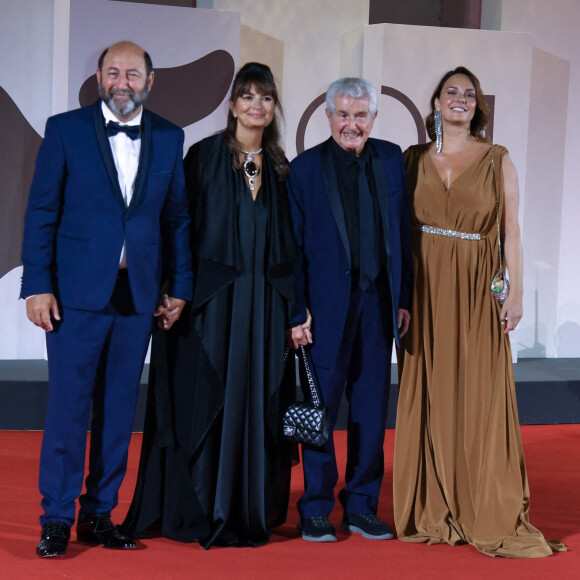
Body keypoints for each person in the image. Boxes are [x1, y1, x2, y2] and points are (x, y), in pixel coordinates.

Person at [21, 41, 193, 558]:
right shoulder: (65, 129)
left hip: (138, 294)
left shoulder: (169, 136)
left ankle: (99, 515)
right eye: (113, 72)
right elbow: (41, 211)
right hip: (74, 295)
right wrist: (36, 283)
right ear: (98, 76)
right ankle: (56, 518)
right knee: (69, 408)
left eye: (133, 74)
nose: (123, 82)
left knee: (119, 410)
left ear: (150, 80)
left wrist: (179, 286)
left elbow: (177, 219)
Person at [122, 62, 298, 549]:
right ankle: (196, 508)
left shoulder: (282, 167)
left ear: (273, 107)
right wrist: (172, 289)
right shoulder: (201, 158)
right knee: (204, 403)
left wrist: (295, 310)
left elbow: (291, 246)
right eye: (247, 96)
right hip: (207, 307)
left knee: (257, 402)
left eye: (265, 98)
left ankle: (248, 508)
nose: (256, 106)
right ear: (233, 104)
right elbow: (176, 226)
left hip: (263, 311)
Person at [393, 66, 566, 558]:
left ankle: (481, 502)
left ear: (478, 107)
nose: (460, 100)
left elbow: (511, 230)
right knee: (428, 390)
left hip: (474, 291)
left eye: (469, 95)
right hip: (425, 293)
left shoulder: (497, 159)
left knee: (478, 393)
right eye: (452, 92)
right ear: (436, 102)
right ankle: (433, 502)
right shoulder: (411, 160)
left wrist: (516, 293)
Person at [286, 77, 413, 542]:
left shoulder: (391, 159)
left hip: (378, 307)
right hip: (323, 312)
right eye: (343, 114)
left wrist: (405, 299)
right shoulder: (303, 171)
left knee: (369, 411)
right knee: (319, 410)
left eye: (361, 115)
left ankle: (360, 505)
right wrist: (297, 311)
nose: (352, 124)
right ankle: (315, 506)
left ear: (374, 118)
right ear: (328, 116)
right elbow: (292, 251)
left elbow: (405, 236)